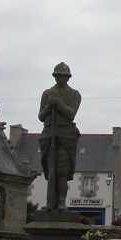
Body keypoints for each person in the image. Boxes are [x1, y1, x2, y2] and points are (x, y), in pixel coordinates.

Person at [38, 63, 81, 211]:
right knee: (51, 170)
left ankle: (61, 201)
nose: (61, 78)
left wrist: (58, 103)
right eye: (58, 76)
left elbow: (71, 113)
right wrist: (49, 106)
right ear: (54, 76)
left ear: (68, 77)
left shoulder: (74, 94)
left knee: (62, 170)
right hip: (49, 133)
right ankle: (50, 202)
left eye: (63, 76)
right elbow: (41, 117)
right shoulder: (47, 93)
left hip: (65, 135)